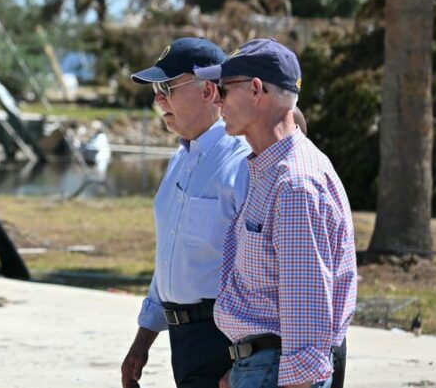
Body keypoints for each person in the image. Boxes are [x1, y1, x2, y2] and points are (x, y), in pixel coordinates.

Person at [194, 38, 357, 388]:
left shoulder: (295, 184)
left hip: (276, 372)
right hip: (260, 366)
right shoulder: (271, 169)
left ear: (256, 89)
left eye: (222, 89)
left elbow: (307, 321)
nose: (217, 100)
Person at [121, 37, 251, 388]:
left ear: (209, 91)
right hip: (185, 341)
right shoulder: (182, 159)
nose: (157, 97)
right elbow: (171, 257)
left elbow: (265, 273)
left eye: (167, 86)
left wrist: (248, 364)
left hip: (226, 341)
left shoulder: (242, 163)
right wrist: (143, 338)